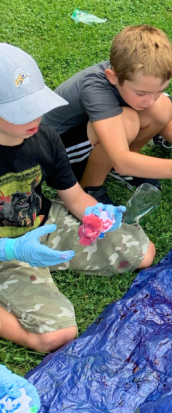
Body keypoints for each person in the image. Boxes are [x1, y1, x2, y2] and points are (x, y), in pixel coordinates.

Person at [0, 44, 156, 354]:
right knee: (55, 335)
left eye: (37, 104)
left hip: (42, 226)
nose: (36, 117)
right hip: (6, 252)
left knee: (142, 252)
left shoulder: (43, 137)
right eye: (22, 110)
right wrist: (15, 249)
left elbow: (73, 197)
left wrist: (95, 213)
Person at [43, 26, 172, 202]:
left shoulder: (131, 79)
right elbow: (121, 158)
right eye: (141, 93)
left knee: (162, 106)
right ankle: (89, 188)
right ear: (112, 77)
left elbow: (162, 117)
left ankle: (123, 167)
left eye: (159, 89)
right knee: (127, 122)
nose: (149, 100)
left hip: (88, 139)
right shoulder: (95, 88)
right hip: (57, 153)